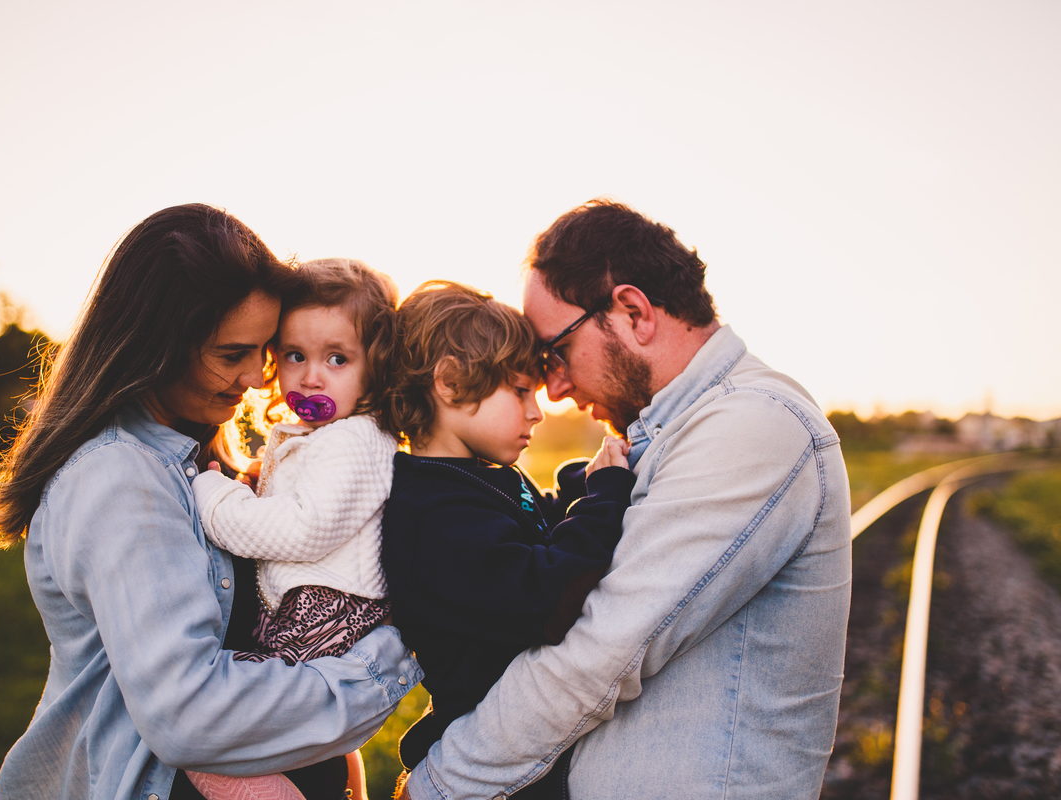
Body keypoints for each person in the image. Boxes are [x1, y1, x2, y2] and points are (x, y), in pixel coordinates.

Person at [398, 199, 852, 800]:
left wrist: (440, 783)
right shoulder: (677, 429)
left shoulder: (752, 423)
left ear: (634, 312)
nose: (553, 389)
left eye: (555, 352)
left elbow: (598, 655)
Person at [0, 205, 420, 800]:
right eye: (233, 354)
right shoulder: (120, 479)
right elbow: (189, 714)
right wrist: (389, 660)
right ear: (156, 346)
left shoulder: (197, 460)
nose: (259, 378)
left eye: (264, 351)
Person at [378, 281, 637, 799]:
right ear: (449, 383)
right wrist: (605, 500)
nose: (537, 412)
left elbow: (540, 529)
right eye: (520, 391)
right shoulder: (429, 513)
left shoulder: (485, 476)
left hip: (534, 747)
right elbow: (543, 596)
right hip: (493, 767)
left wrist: (578, 487)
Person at [185, 258, 404, 800]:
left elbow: (303, 528)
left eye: (337, 358)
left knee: (202, 736)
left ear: (374, 366)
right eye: (295, 356)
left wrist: (216, 499)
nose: (311, 376)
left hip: (325, 611)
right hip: (304, 610)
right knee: (292, 733)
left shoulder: (356, 439)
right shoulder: (321, 434)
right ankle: (340, 781)